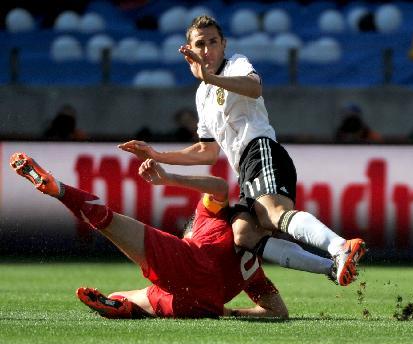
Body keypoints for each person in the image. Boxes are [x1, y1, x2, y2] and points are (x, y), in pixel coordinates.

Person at [118, 15, 366, 286]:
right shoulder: (202, 95)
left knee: (273, 214)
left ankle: (340, 246)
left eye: (213, 42)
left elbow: (254, 87)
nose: (207, 49)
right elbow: (207, 152)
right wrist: (156, 155)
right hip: (245, 168)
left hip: (261, 150)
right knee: (244, 234)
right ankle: (331, 268)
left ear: (223, 44)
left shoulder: (235, 64)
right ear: (189, 51)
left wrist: (212, 77)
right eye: (200, 44)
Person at [10, 151, 291, 319]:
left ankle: (59, 189)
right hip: (200, 305)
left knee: (106, 219)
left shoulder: (213, 217)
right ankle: (122, 307)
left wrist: (169, 178)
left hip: (190, 264)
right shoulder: (254, 268)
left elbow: (219, 185)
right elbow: (278, 312)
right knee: (123, 297)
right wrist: (228, 312)